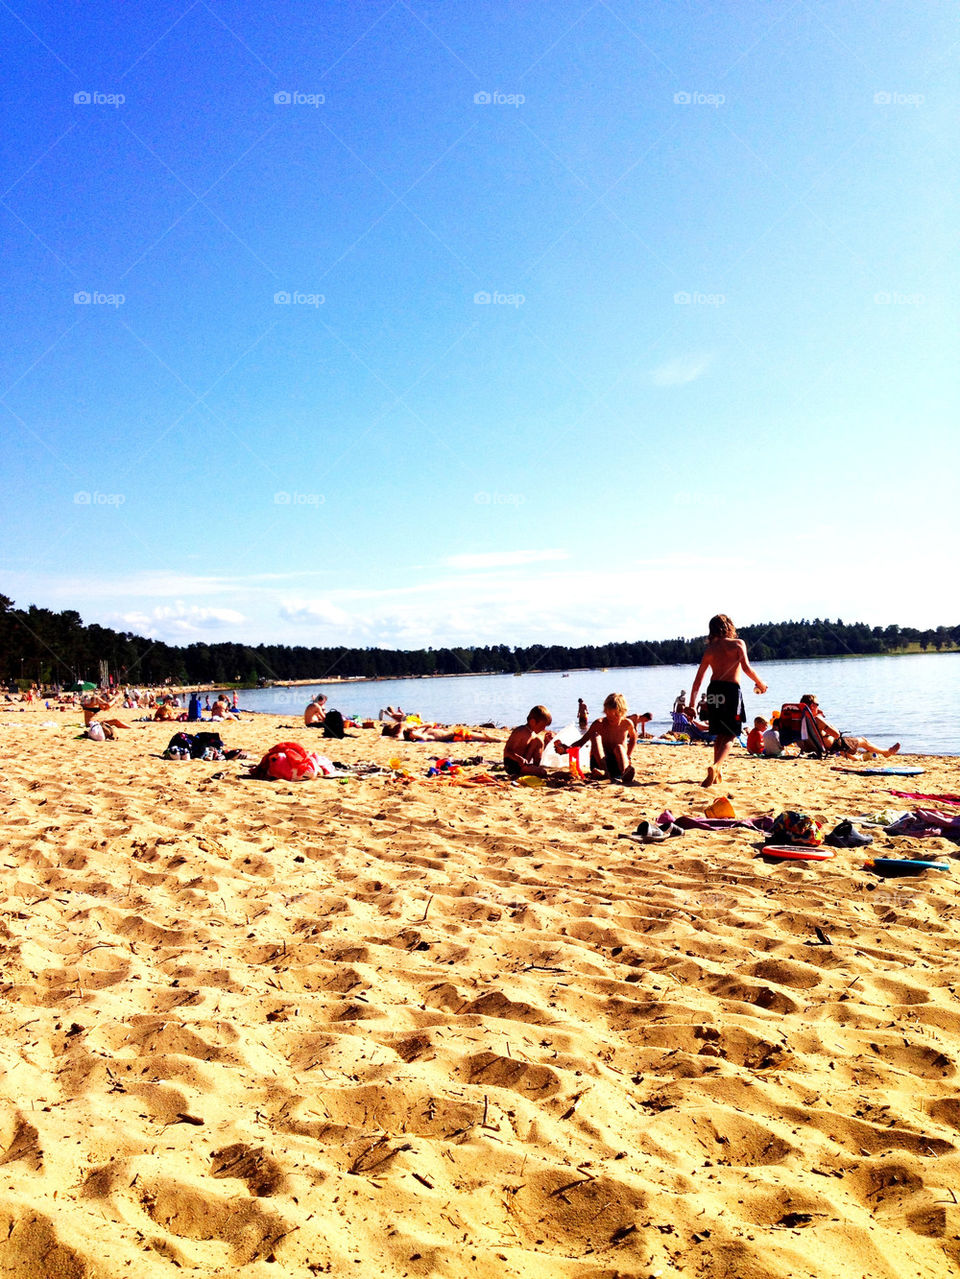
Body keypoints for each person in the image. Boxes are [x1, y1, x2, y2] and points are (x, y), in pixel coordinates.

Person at [688, 614, 767, 787]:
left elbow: (698, 680)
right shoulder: (738, 644)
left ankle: (717, 772)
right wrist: (760, 683)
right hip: (730, 690)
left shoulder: (710, 649)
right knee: (731, 733)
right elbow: (746, 668)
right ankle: (716, 766)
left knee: (719, 733)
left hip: (714, 690)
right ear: (730, 627)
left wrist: (692, 705)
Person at [559, 693, 637, 784]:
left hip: (619, 763)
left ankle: (624, 772)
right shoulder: (599, 724)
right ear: (605, 711)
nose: (611, 717)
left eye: (615, 714)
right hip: (600, 762)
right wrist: (566, 749)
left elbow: (633, 738)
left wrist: (628, 755)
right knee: (595, 737)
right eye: (608, 713)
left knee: (619, 747)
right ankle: (605, 773)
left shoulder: (627, 724)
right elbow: (582, 741)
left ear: (622, 712)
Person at [799, 694, 900, 759]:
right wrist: (825, 720)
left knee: (853, 753)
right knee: (863, 741)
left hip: (810, 746)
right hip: (833, 745)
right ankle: (885, 752)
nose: (818, 706)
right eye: (817, 704)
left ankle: (860, 757)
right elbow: (836, 734)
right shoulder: (817, 719)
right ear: (812, 706)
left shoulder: (800, 718)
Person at [503, 705, 555, 778]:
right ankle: (530, 770)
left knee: (539, 741)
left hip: (524, 763)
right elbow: (507, 751)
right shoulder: (521, 732)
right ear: (533, 722)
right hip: (512, 765)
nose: (543, 729)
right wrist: (518, 758)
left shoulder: (532, 734)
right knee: (543, 772)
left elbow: (537, 751)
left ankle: (534, 767)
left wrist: (546, 742)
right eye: (542, 726)